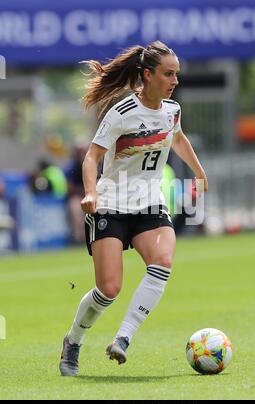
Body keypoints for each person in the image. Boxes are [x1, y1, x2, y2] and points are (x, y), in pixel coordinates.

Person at [59, 41, 208, 376]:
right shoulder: (121, 113)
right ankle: (73, 340)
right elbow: (91, 157)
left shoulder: (172, 111)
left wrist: (199, 171)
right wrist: (90, 193)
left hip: (150, 204)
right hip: (110, 205)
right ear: (147, 74)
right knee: (109, 289)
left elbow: (179, 138)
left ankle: (123, 339)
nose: (175, 81)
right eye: (168, 74)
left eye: (177, 74)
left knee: (163, 261)